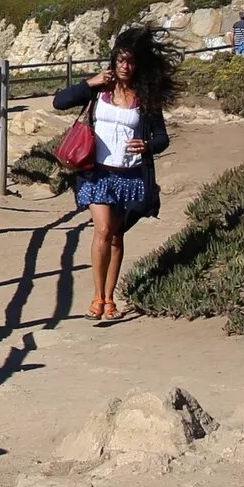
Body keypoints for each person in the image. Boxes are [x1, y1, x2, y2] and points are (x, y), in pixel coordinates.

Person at [53, 26, 173, 326]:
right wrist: (89, 82)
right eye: (120, 59)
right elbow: (60, 101)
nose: (124, 66)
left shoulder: (145, 98)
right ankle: (96, 297)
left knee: (117, 237)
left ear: (138, 64)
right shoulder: (99, 89)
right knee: (104, 230)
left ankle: (109, 298)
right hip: (97, 174)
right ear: (113, 60)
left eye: (130, 61)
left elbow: (162, 138)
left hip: (130, 175)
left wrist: (147, 145)